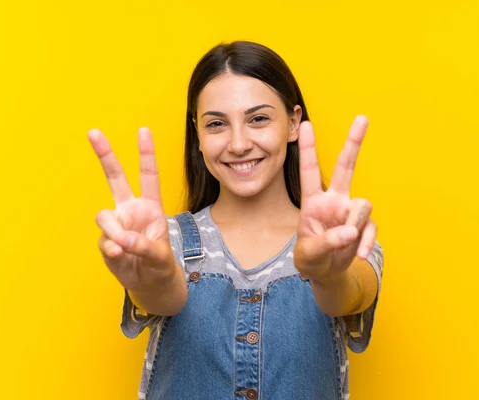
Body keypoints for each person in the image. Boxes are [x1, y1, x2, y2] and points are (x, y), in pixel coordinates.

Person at [88, 41, 384, 400]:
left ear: (293, 123)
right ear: (197, 134)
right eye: (216, 124)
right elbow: (162, 296)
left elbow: (351, 294)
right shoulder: (164, 241)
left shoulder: (342, 239)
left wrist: (329, 272)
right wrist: (158, 277)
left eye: (258, 119)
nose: (239, 143)